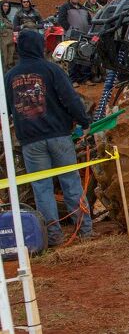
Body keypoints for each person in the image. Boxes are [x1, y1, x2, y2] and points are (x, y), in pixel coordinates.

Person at [4, 30, 93, 247]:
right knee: (71, 182)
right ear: (40, 46)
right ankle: (85, 231)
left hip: (30, 142)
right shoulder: (51, 69)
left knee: (41, 188)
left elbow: (4, 109)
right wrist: (84, 121)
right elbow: (70, 99)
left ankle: (53, 236)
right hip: (59, 136)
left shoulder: (9, 77)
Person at [58, 0, 92, 85]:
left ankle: (86, 78)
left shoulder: (84, 8)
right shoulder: (65, 7)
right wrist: (70, 29)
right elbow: (61, 20)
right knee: (73, 57)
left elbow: (89, 21)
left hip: (85, 36)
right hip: (72, 36)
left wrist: (90, 31)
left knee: (85, 56)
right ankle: (74, 80)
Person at [0, 1, 14, 70]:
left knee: (10, 57)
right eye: (4, 6)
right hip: (3, 38)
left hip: (10, 39)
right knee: (4, 58)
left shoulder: (6, 16)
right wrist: (10, 26)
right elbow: (1, 26)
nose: (6, 7)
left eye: (7, 6)